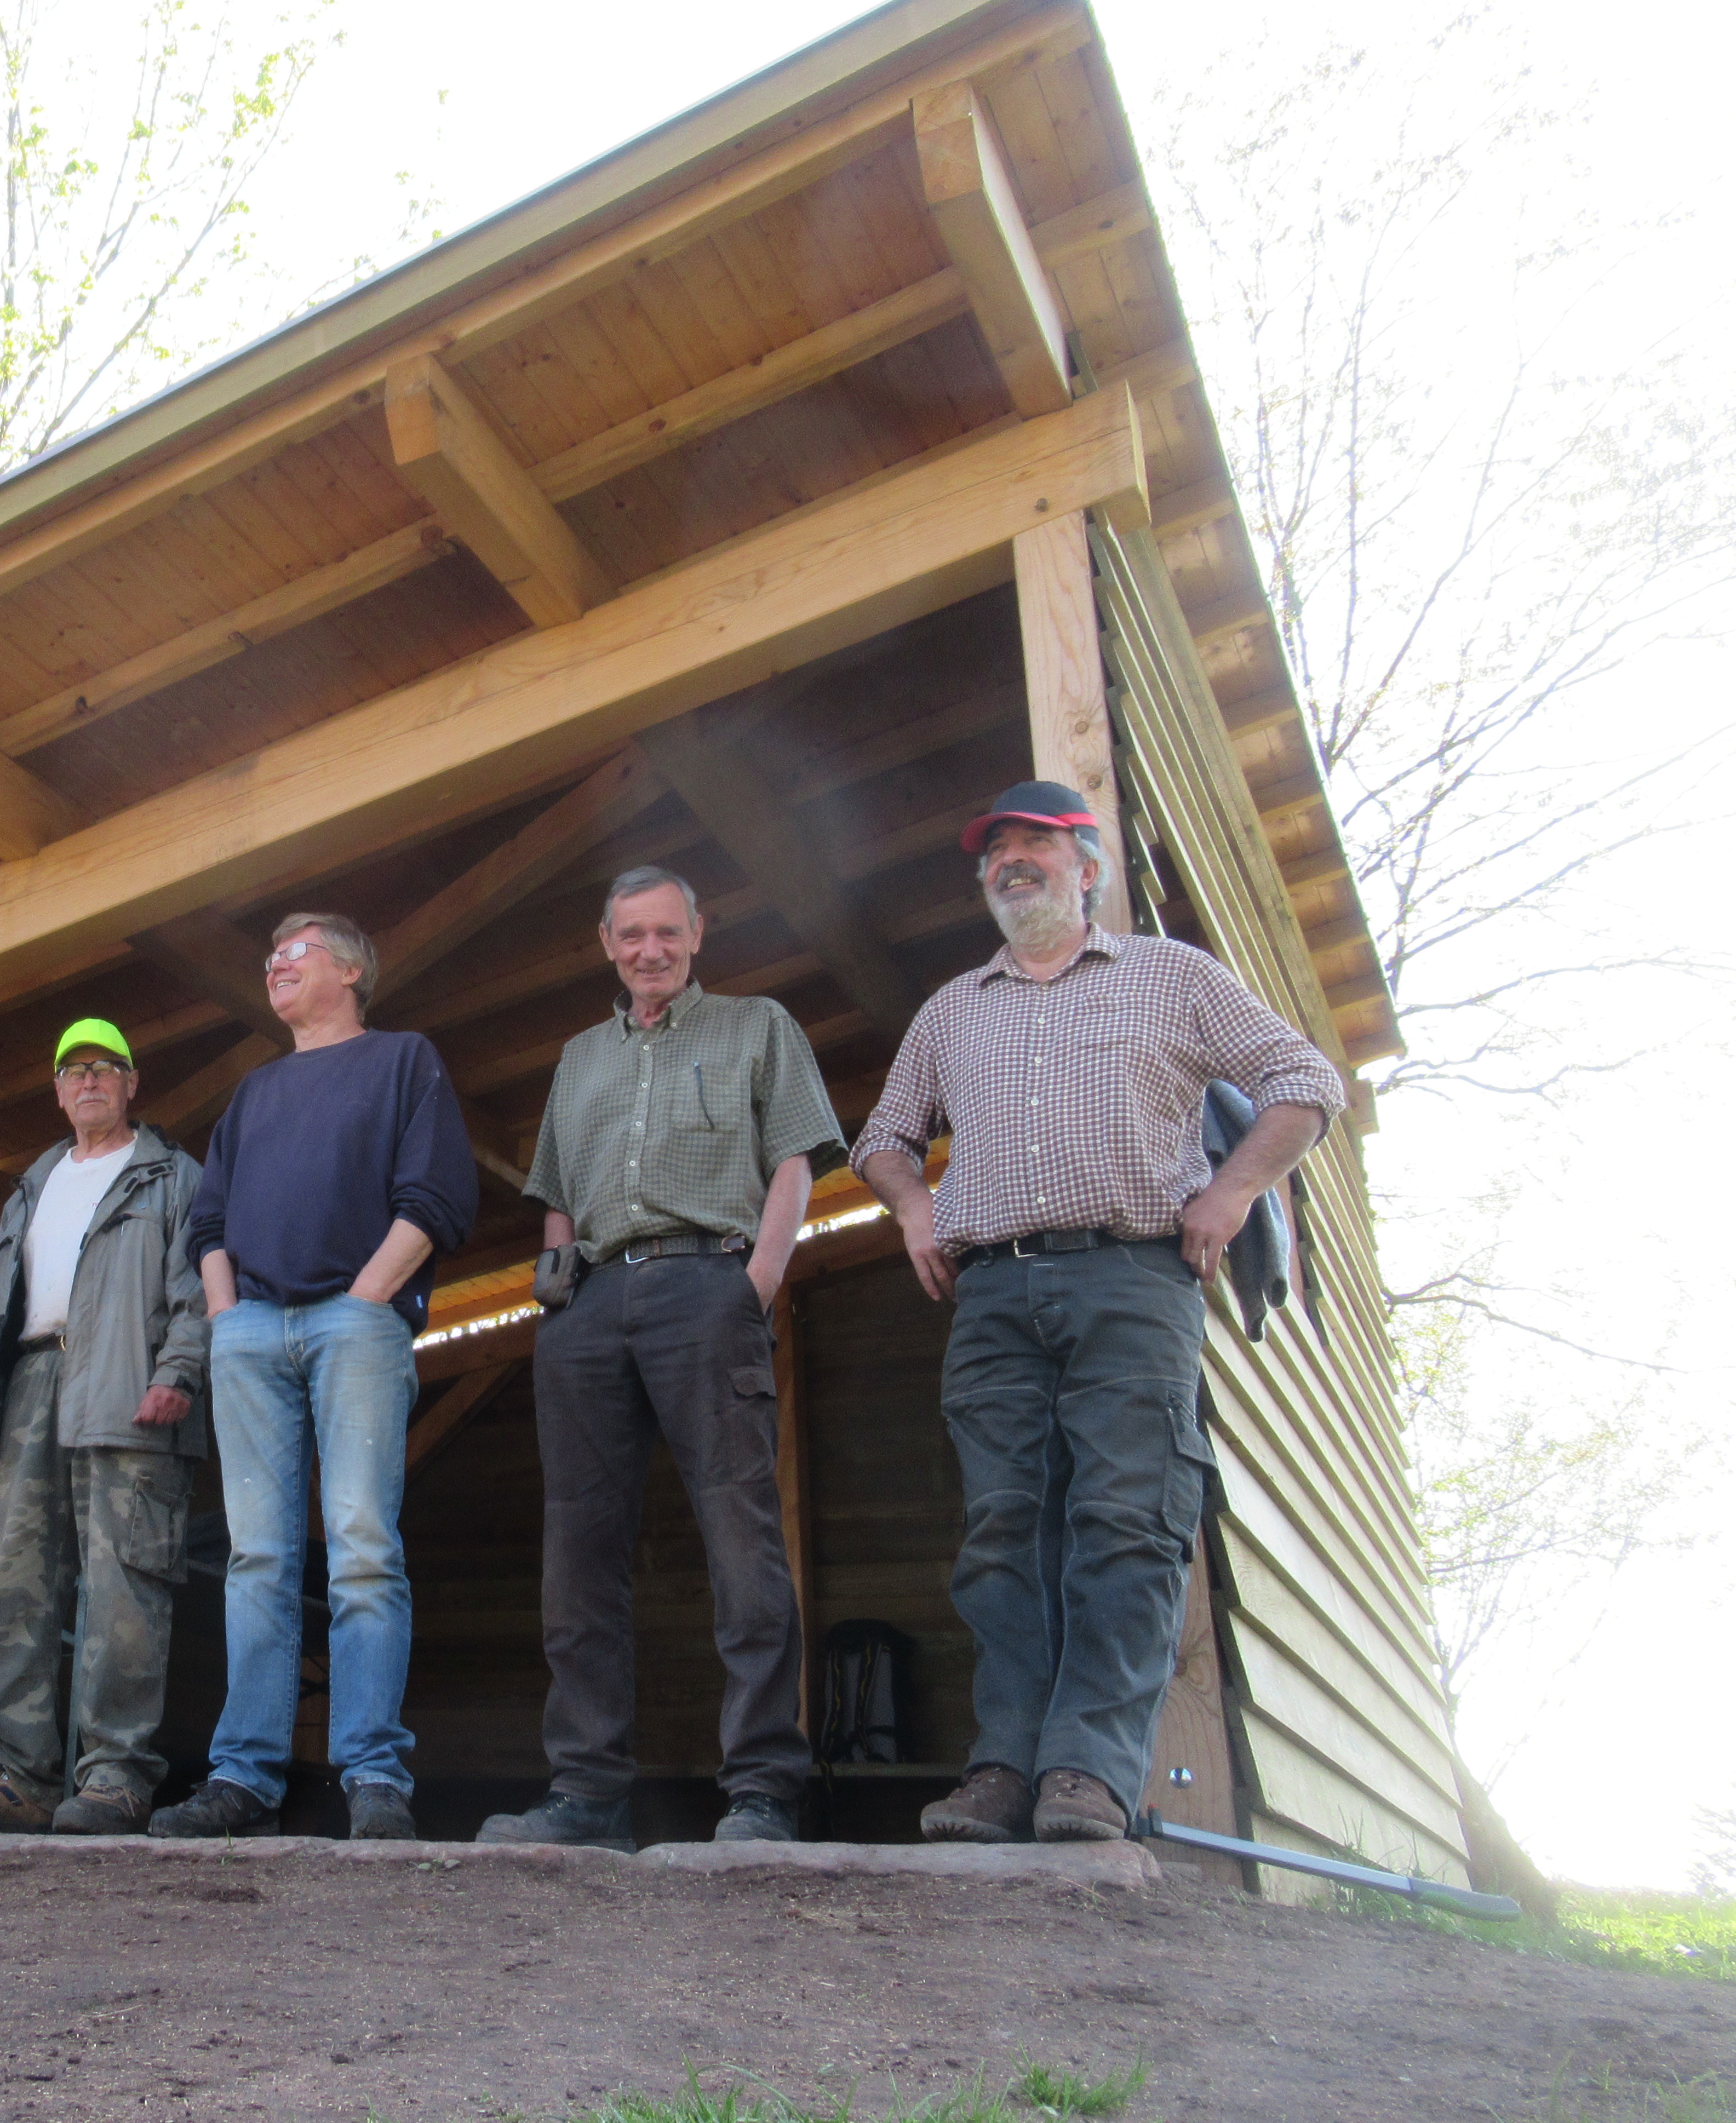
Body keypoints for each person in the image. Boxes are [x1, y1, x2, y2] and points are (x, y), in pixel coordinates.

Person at [853, 781, 1342, 1845]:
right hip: (993, 1293)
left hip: (1134, 1280)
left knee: (1127, 1521)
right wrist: (917, 1208)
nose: (1010, 860)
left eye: (1035, 842)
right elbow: (884, 1138)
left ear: (1087, 867)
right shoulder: (952, 1009)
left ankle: (1088, 1773)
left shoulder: (1172, 976)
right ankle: (1004, 1766)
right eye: (996, 850)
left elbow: (1304, 1080)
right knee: (1002, 1532)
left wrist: (1234, 1190)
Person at [477, 867, 846, 1854]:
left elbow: (796, 1161)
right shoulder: (578, 1058)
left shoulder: (757, 1026)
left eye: (667, 933)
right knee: (579, 1551)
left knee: (741, 1537)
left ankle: (762, 1790)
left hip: (707, 1282)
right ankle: (586, 1793)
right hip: (588, 1305)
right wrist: (560, 1295)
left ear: (698, 935)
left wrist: (755, 1285)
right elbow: (558, 1192)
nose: (651, 951)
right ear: (607, 943)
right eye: (632, 935)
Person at [148, 914, 478, 1841]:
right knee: (257, 1557)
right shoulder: (253, 1091)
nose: (274, 966)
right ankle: (244, 1775)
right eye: (270, 958)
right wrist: (226, 1315)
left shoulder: (405, 1060)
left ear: (352, 969)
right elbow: (207, 1221)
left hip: (355, 1322)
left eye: (294, 953)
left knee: (363, 1544)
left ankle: (373, 1774)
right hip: (250, 1330)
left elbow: (439, 1195)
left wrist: (368, 1296)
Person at [0, 1018, 212, 1835]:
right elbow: (2, 1306)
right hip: (34, 1382)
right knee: (14, 1579)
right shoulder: (31, 1186)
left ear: (132, 1084)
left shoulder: (173, 1176)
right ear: (57, 1091)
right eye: (75, 1070)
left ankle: (116, 1777)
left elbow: (199, 1290)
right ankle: (14, 1775)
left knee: (124, 1581)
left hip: (127, 1380)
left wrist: (179, 1372)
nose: (90, 1081)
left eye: (106, 1068)